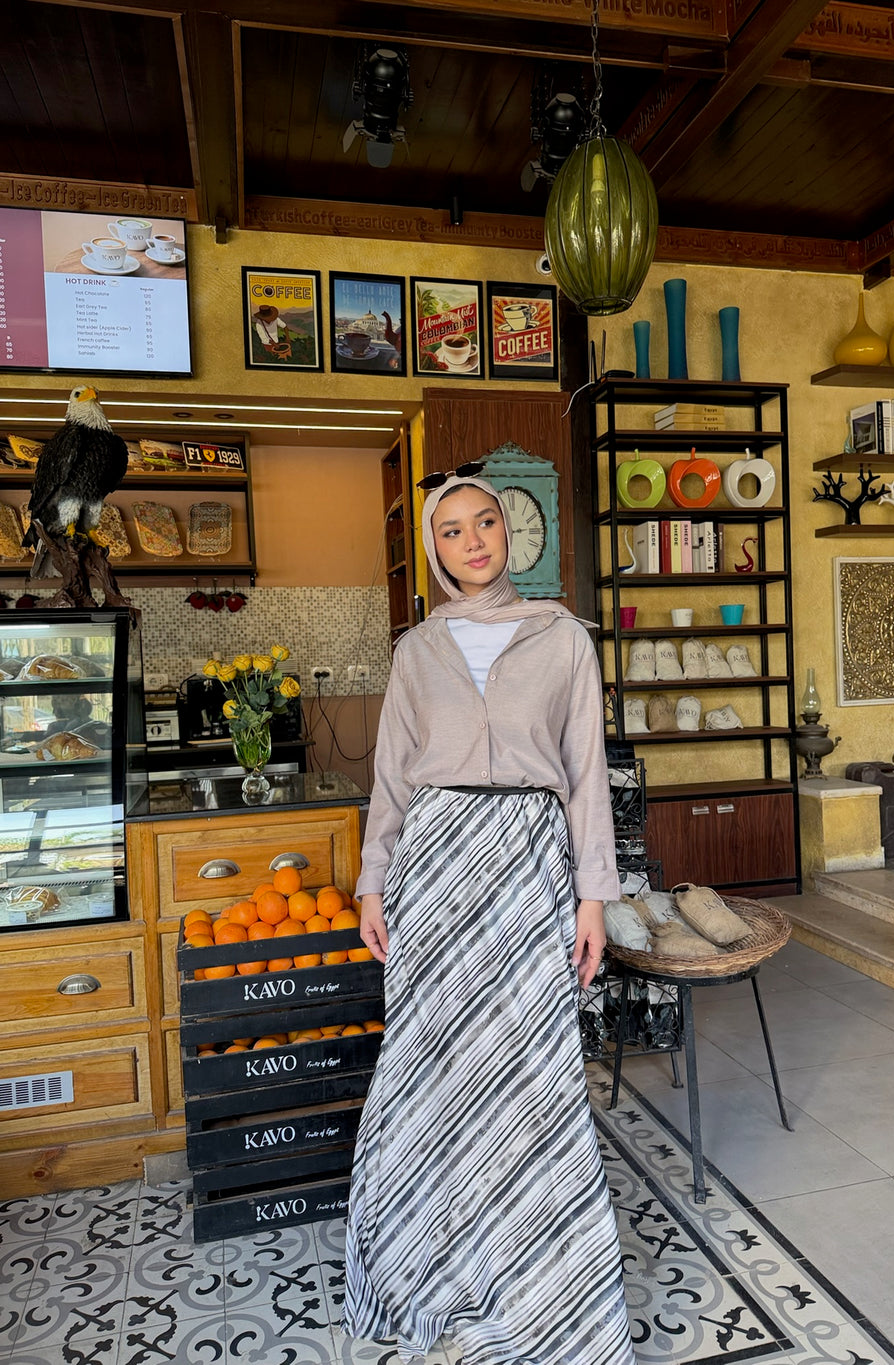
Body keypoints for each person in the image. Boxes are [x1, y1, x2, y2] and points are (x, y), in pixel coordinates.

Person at [344, 468, 634, 1365]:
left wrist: (594, 896)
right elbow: (391, 777)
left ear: (509, 534)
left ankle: (542, 1283)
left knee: (529, 1071)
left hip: (525, 869)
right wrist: (370, 882)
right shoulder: (415, 650)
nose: (475, 540)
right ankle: (427, 1270)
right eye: (455, 530)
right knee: (432, 1071)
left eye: (487, 522)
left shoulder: (562, 638)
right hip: (434, 870)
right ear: (434, 548)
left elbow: (587, 772)